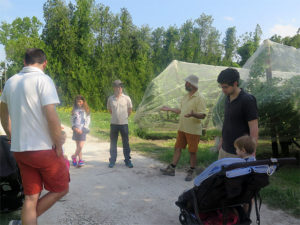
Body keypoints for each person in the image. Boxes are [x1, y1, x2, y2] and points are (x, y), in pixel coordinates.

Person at [0, 48, 69, 225]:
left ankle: (24, 220)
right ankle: (25, 221)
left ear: (24, 61)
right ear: (44, 63)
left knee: (31, 198)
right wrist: (58, 145)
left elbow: (2, 113)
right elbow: (51, 115)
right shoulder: (43, 80)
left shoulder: (10, 82)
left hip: (20, 150)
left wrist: (10, 135)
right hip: (43, 150)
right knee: (61, 189)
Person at [160, 74, 206, 181]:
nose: (185, 84)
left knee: (192, 152)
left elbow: (203, 115)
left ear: (193, 84)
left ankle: (192, 171)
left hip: (193, 130)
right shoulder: (186, 97)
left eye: (187, 82)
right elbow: (180, 110)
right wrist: (169, 109)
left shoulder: (200, 98)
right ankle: (171, 169)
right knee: (178, 148)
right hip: (182, 128)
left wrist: (193, 114)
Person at [217, 68, 258, 159]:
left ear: (235, 83)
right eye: (221, 87)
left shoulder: (247, 100)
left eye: (225, 87)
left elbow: (254, 128)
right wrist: (221, 141)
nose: (223, 90)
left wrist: (252, 153)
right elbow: (227, 121)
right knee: (221, 173)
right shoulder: (227, 98)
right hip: (224, 149)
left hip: (239, 153)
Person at [107, 79, 133, 168]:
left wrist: (124, 117)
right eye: (117, 87)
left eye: (121, 87)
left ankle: (127, 160)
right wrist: (116, 117)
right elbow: (110, 110)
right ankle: (112, 160)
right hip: (114, 124)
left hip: (124, 124)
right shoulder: (110, 99)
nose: (119, 88)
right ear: (114, 88)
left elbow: (130, 110)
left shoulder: (127, 98)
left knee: (126, 143)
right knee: (113, 143)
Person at [71, 95, 91, 167]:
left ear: (83, 102)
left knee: (80, 145)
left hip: (83, 130)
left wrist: (84, 129)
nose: (78, 103)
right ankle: (80, 160)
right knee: (78, 146)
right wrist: (74, 128)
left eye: (80, 101)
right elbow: (72, 121)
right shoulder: (74, 111)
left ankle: (74, 156)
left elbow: (88, 120)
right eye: (77, 102)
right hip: (76, 130)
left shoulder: (86, 110)